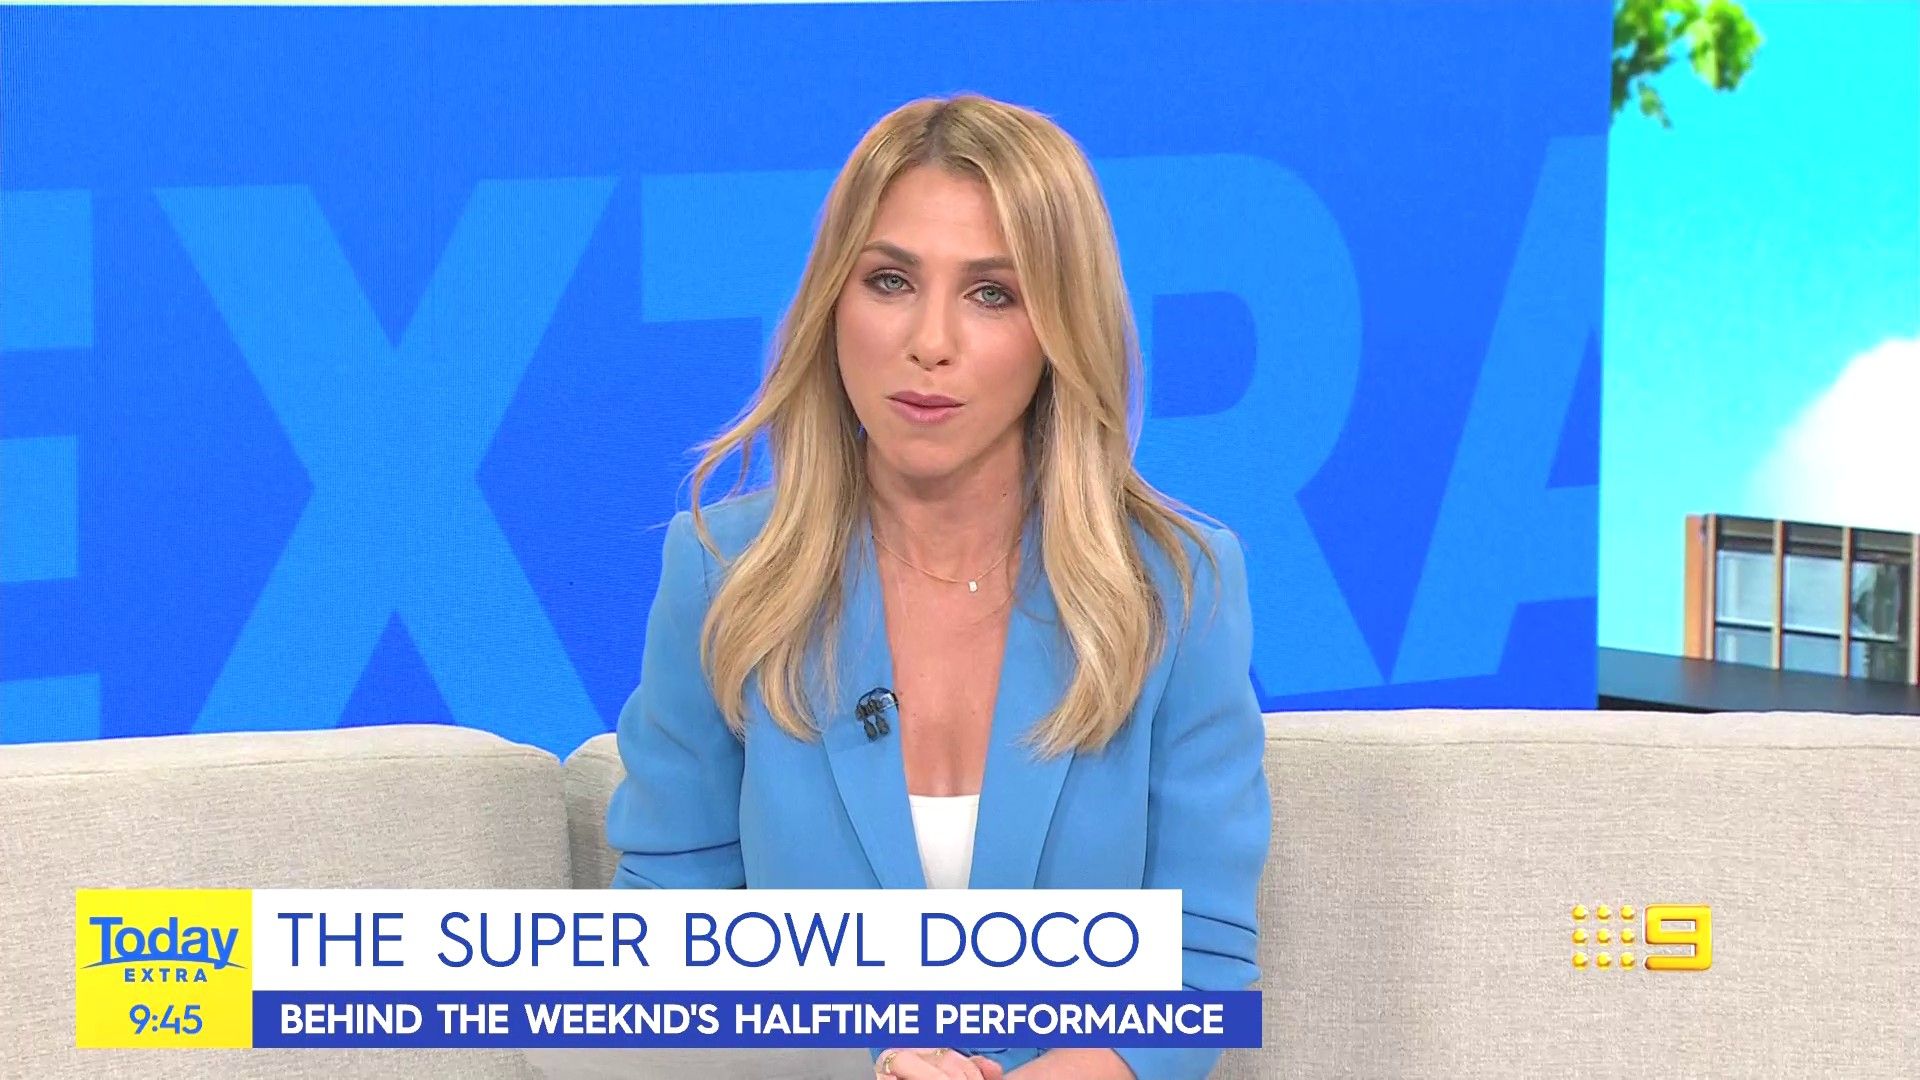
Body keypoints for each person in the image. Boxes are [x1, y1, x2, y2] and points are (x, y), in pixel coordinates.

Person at [606, 93, 1270, 1080]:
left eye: (992, 294)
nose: (931, 340)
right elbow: (659, 952)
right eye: (890, 281)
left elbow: (1201, 971)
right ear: (834, 302)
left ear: (1060, 328)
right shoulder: (725, 575)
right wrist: (861, 1063)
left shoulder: (1175, 588)